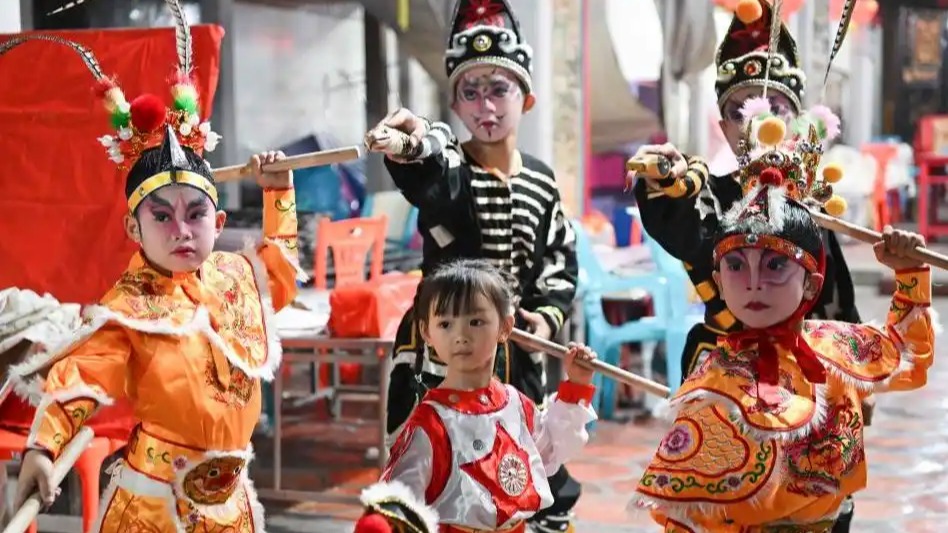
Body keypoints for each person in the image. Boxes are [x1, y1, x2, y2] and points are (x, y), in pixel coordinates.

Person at [8, 12, 304, 530]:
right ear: (134, 228)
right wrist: (42, 450)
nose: (181, 231)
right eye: (161, 217)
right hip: (153, 508)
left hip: (232, 507)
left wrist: (278, 192)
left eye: (196, 214)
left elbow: (279, 275)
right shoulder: (128, 308)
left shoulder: (236, 276)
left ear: (219, 222)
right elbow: (81, 374)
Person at [633, 88, 936, 532]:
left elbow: (908, 355)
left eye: (775, 265)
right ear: (718, 280)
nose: (754, 282)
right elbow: (686, 515)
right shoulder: (712, 382)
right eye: (736, 265)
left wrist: (910, 272)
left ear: (812, 282)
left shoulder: (835, 347)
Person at [364, 1, 582, 530]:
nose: (485, 106)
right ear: (455, 105)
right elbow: (428, 163)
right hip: (443, 346)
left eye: (498, 89)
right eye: (470, 92)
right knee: (434, 467)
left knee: (530, 468)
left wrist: (544, 319)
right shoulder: (451, 166)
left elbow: (559, 255)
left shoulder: (542, 179)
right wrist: (412, 139)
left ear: (526, 97)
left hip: (515, 346)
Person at [354, 259, 596, 533]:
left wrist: (577, 384)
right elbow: (400, 501)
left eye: (475, 321)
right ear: (426, 332)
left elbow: (551, 448)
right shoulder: (432, 424)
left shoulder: (515, 404)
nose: (460, 335)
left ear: (505, 327)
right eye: (446, 324)